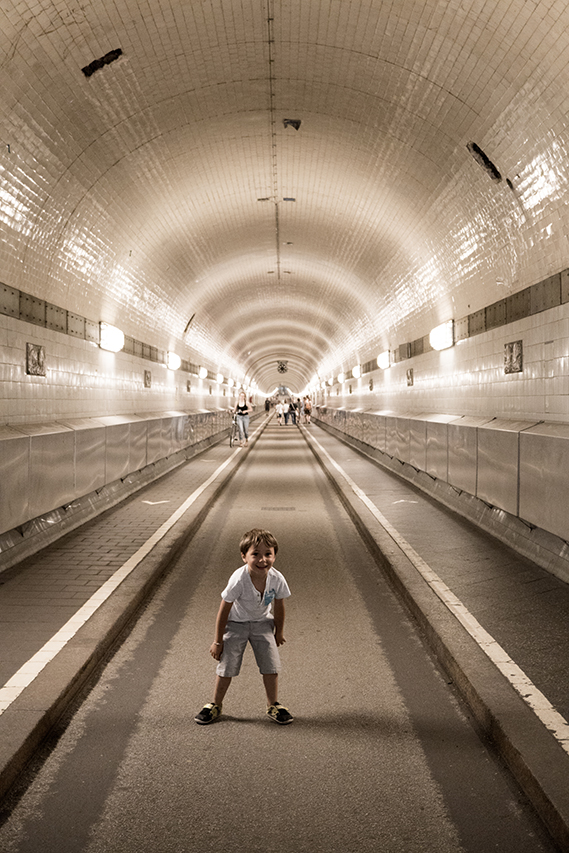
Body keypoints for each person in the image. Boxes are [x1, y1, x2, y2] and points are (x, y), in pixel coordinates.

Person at [194, 528, 293, 725]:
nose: (262, 560)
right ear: (244, 556)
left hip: (262, 624)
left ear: (274, 556)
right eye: (255, 554)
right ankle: (215, 704)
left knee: (271, 665)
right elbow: (224, 609)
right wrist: (217, 641)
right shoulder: (239, 579)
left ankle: (273, 704)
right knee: (227, 666)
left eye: (268, 554)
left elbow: (279, 606)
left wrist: (278, 631)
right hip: (236, 624)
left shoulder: (277, 578)